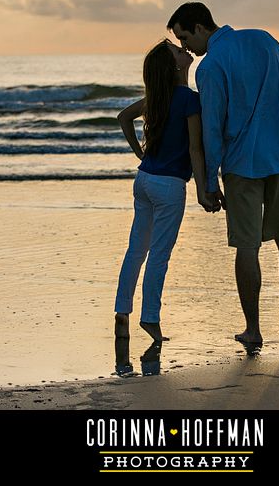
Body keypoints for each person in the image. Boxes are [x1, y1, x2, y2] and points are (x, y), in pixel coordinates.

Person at [168, 2, 279, 346]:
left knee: (247, 247)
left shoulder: (211, 65)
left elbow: (213, 127)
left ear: (201, 26)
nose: (186, 47)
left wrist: (209, 179)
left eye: (185, 37)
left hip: (243, 165)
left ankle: (254, 330)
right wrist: (278, 134)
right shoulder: (266, 40)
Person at [114, 39, 219, 343]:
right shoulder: (189, 99)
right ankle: (150, 319)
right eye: (177, 50)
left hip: (144, 180)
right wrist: (204, 189)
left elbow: (123, 118)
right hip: (170, 187)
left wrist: (138, 152)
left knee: (137, 250)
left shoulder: (157, 97)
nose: (184, 50)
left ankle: (122, 312)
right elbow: (195, 150)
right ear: (174, 66)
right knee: (159, 255)